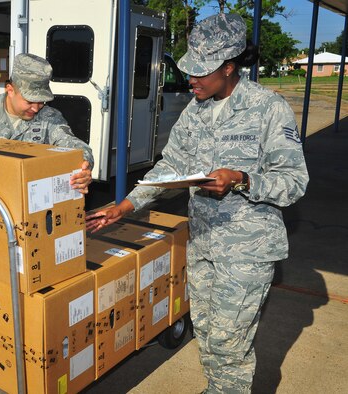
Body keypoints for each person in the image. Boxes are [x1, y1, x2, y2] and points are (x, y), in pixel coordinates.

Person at [86, 13, 308, 394]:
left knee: (229, 342)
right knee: (206, 329)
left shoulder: (268, 108)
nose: (191, 80)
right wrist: (125, 206)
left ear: (229, 67)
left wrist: (241, 180)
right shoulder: (196, 109)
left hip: (247, 251)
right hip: (203, 242)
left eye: (201, 72)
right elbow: (171, 165)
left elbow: (293, 182)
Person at [0, 52, 93, 193]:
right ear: (10, 90)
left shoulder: (50, 118)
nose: (36, 108)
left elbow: (77, 146)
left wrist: (84, 168)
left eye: (42, 102)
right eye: (30, 101)